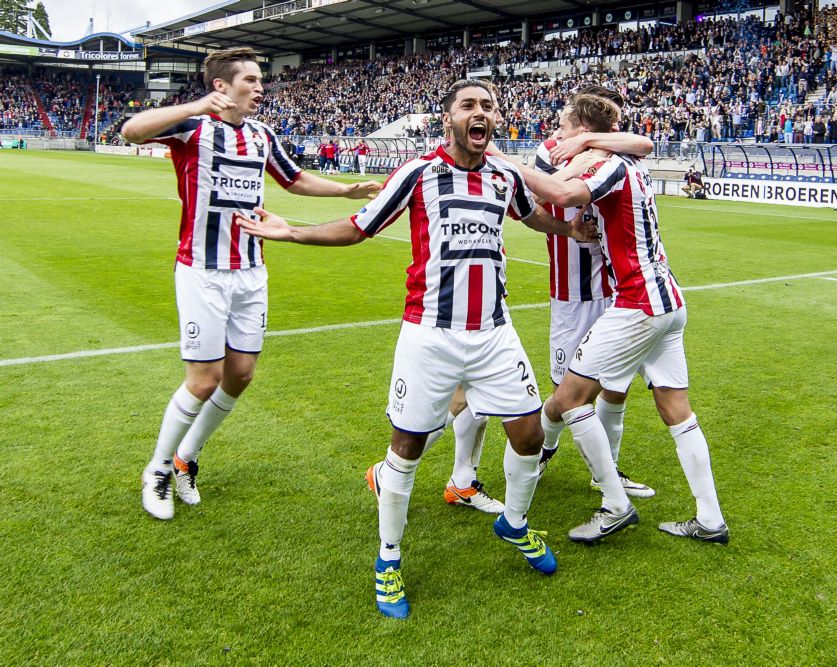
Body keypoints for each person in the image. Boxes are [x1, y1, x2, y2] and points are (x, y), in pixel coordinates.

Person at [237, 79, 596, 619]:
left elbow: (531, 214)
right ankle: (388, 559)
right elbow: (359, 228)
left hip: (495, 333)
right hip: (429, 335)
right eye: (469, 106)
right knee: (406, 447)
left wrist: (572, 232)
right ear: (448, 118)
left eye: (489, 107)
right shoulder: (419, 173)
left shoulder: (504, 175)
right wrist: (292, 233)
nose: (481, 114)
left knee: (528, 434)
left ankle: (515, 524)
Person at [121, 47, 381, 522]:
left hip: (251, 271)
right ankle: (156, 468)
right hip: (202, 269)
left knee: (240, 375)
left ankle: (186, 459)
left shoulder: (261, 134)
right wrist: (195, 105)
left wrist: (346, 189)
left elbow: (295, 180)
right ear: (222, 86)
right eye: (251, 80)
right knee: (203, 380)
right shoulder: (194, 127)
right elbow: (130, 130)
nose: (261, 87)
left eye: (261, 80)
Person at [516, 94, 729, 546]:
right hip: (669, 301)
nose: (559, 136)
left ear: (585, 133)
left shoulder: (611, 165)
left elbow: (561, 192)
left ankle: (613, 505)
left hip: (636, 302)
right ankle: (710, 519)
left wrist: (496, 160)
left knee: (570, 398)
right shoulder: (629, 161)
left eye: (565, 129)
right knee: (677, 410)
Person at [531, 87, 656, 497]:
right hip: (570, 291)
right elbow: (535, 196)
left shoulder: (606, 149)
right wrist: (568, 226)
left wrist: (590, 143)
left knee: (616, 385)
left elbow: (643, 143)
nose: (560, 123)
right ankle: (542, 451)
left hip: (615, 291)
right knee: (565, 390)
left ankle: (609, 470)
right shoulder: (550, 149)